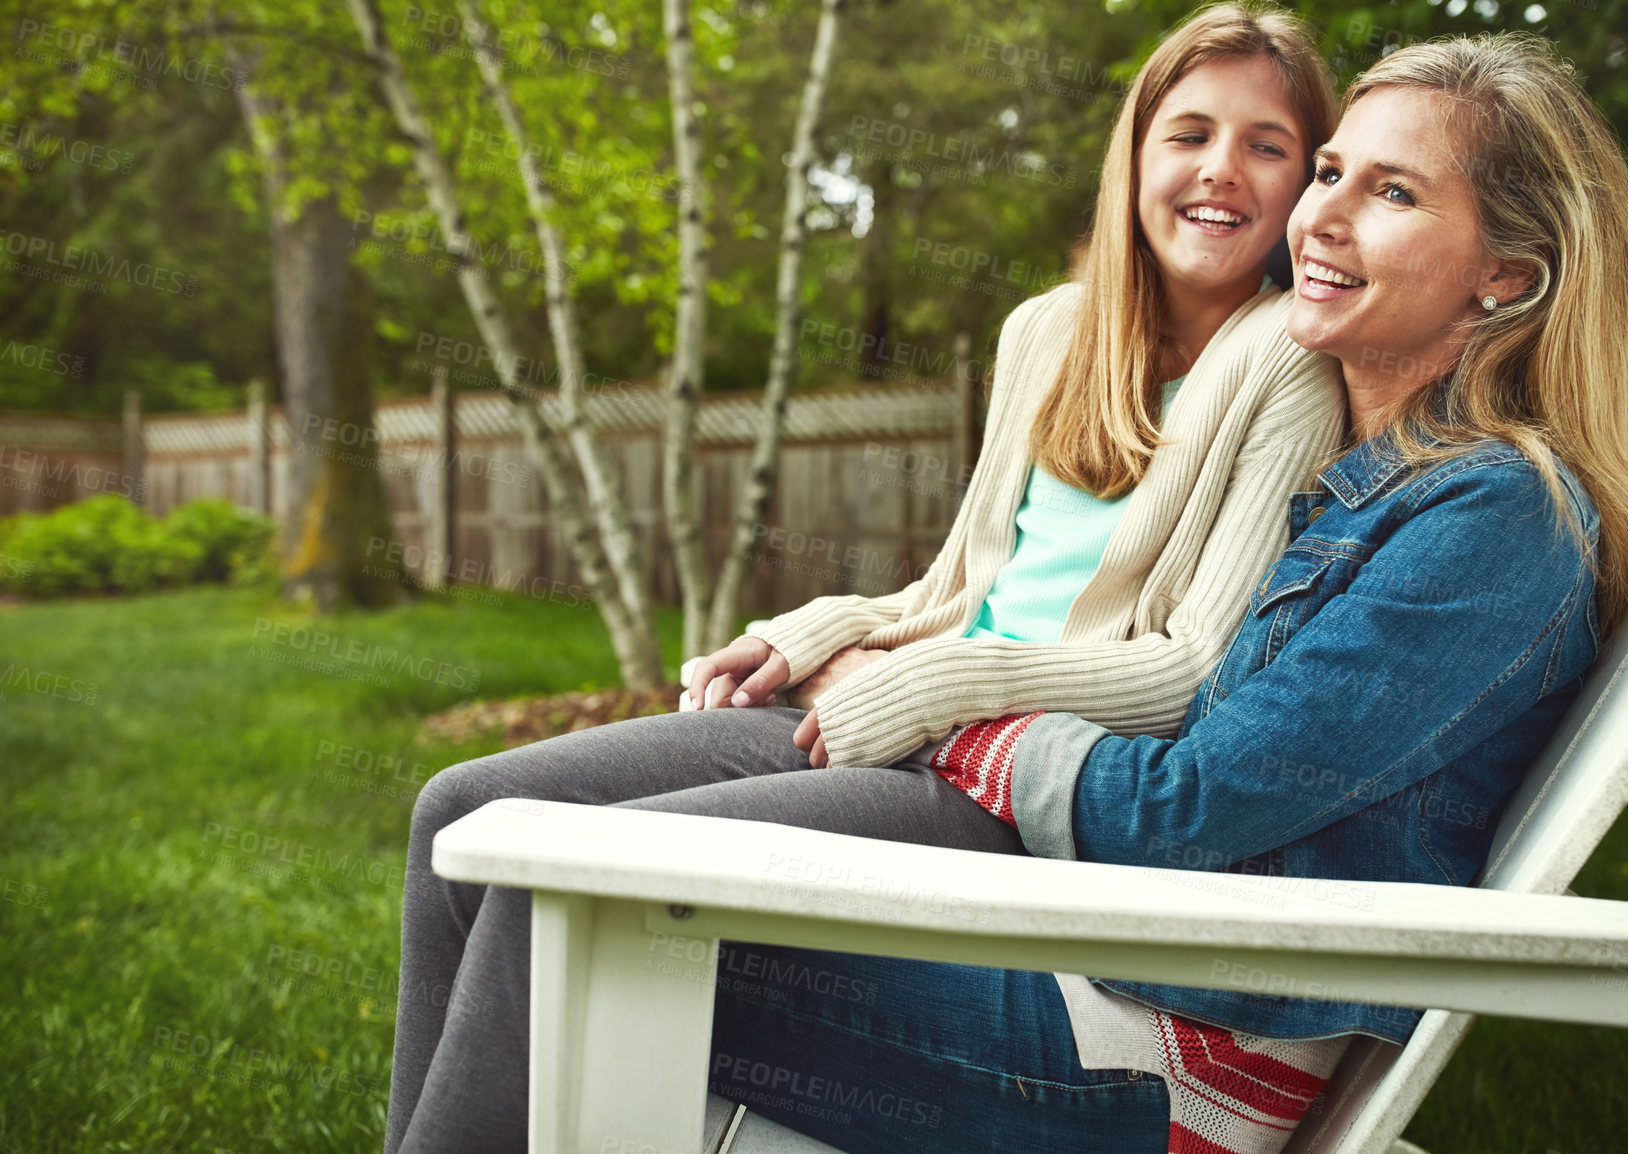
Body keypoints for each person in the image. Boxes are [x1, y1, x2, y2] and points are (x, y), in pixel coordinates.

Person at [385, 5, 1346, 1151]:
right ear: (1134, 155)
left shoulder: (1289, 360)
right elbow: (954, 585)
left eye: (1265, 145)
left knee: (574, 879)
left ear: (1305, 183)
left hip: (1012, 790)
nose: (1219, 171)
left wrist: (936, 687)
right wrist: (811, 633)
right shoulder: (1048, 331)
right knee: (463, 809)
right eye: (1186, 133)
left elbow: (1190, 669)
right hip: (906, 715)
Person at [704, 31, 1628, 1154]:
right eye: (1328, 174)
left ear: (1507, 274)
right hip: (1087, 958)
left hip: (1172, 1056)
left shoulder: (1493, 518)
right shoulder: (1359, 489)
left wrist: (939, 718)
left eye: (1393, 190)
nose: (1320, 217)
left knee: (586, 919)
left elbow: (1183, 808)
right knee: (550, 888)